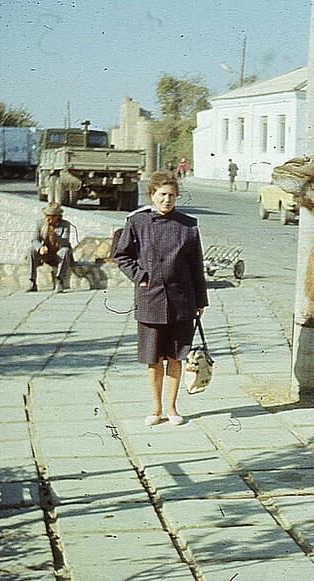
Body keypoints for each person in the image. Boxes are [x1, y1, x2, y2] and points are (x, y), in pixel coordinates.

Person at [114, 171, 209, 427]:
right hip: (150, 300)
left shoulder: (188, 225)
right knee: (153, 359)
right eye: (162, 195)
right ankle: (155, 409)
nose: (166, 200)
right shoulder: (138, 222)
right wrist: (140, 277)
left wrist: (200, 301)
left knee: (176, 358)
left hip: (182, 301)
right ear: (152, 195)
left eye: (171, 195)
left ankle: (172, 408)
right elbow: (121, 255)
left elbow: (196, 266)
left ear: (177, 197)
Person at [27, 202, 74, 293]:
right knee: (31, 251)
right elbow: (34, 240)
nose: (48, 218)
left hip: (58, 251)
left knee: (65, 251)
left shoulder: (65, 225)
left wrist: (53, 234)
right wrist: (40, 247)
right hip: (45, 252)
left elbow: (65, 241)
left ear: (57, 216)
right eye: (47, 215)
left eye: (51, 216)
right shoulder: (40, 223)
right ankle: (32, 281)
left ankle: (60, 281)